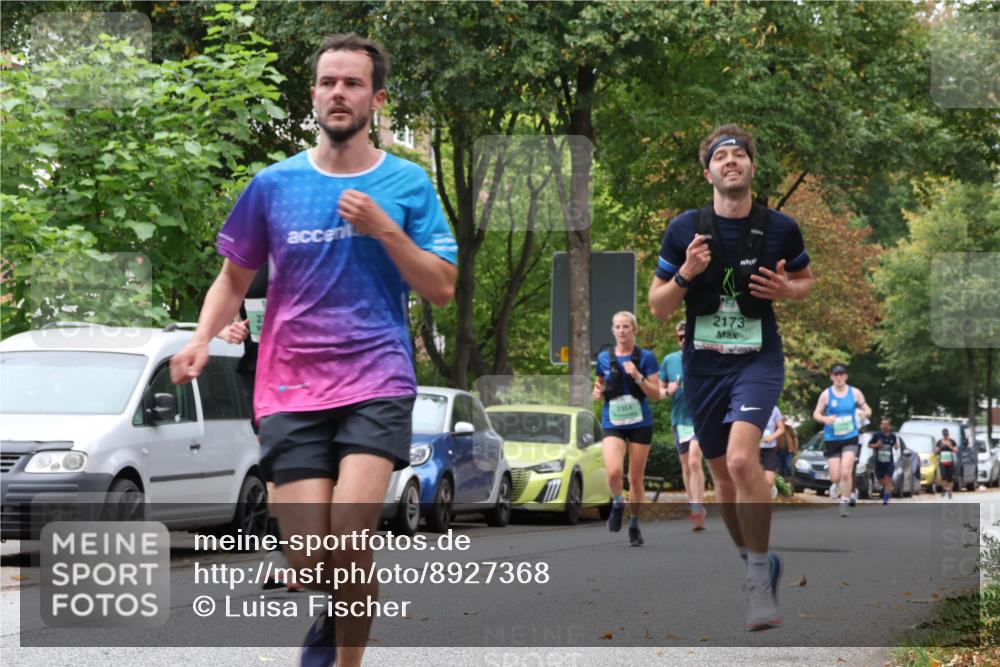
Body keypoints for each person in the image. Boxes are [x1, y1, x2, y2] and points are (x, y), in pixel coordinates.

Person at [171, 33, 457, 667]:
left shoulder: (407, 185)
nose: (338, 93)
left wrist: (386, 229)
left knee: (352, 538)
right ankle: (333, 612)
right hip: (288, 387)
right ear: (313, 95)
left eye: (353, 83)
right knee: (308, 557)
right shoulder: (274, 185)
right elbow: (233, 276)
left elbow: (440, 287)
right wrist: (198, 340)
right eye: (328, 82)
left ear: (376, 100)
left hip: (376, 377)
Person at [648, 124, 815, 631]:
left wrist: (786, 290)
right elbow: (658, 308)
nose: (731, 161)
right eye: (721, 156)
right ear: (709, 173)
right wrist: (685, 275)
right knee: (722, 477)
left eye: (740, 154)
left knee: (744, 461)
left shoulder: (781, 228)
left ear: (751, 168)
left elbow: (806, 281)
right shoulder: (684, 231)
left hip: (756, 360)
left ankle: (757, 580)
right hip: (703, 366)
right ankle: (756, 561)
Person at [593, 311, 661, 547]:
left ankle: (634, 523)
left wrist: (638, 376)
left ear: (634, 330)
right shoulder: (604, 357)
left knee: (635, 478)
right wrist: (597, 390)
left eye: (626, 327)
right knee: (613, 471)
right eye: (618, 327)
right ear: (613, 331)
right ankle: (617, 502)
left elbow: (657, 394)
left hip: (640, 423)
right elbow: (600, 381)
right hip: (613, 421)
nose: (622, 331)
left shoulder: (646, 357)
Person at [660, 321, 707, 531]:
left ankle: (697, 508)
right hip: (680, 420)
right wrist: (668, 390)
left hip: (701, 418)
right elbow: (659, 392)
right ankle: (694, 504)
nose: (684, 340)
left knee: (695, 462)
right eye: (680, 337)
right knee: (686, 465)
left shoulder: (706, 358)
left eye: (687, 336)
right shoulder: (669, 361)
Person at [812, 364, 871, 518]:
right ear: (831, 377)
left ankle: (844, 501)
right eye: (835, 375)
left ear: (845, 376)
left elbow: (868, 409)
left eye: (841, 374)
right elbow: (816, 414)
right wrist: (825, 419)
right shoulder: (826, 394)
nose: (838, 377)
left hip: (850, 436)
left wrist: (865, 414)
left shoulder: (855, 393)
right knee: (836, 476)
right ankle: (837, 485)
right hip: (832, 437)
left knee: (846, 472)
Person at [868, 417, 899, 505]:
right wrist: (877, 445)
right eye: (883, 424)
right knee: (882, 482)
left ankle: (886, 499)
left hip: (889, 462)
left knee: (888, 480)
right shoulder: (876, 435)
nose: (884, 426)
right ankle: (886, 488)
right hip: (879, 462)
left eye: (886, 424)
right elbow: (869, 445)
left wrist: (896, 446)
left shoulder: (893, 436)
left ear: (889, 426)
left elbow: (895, 444)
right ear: (880, 426)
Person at [759, 406, 785, 499]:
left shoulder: (774, 409)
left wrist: (771, 437)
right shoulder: (750, 404)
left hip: (769, 448)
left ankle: (772, 487)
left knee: (768, 481)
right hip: (753, 448)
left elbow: (781, 428)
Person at [936, 428, 959, 499]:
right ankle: (943, 490)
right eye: (944, 435)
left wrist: (950, 446)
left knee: (950, 478)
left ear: (948, 434)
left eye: (946, 434)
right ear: (942, 435)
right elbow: (936, 452)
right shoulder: (939, 442)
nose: (945, 436)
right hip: (942, 461)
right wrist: (939, 448)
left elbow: (956, 450)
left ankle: (950, 493)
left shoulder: (952, 441)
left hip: (950, 462)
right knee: (943, 476)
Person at [776, 415, 797, 481]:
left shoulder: (789, 428)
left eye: (783, 420)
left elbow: (795, 439)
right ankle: (783, 480)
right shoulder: (776, 429)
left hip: (789, 451)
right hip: (779, 451)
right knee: (781, 468)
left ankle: (790, 477)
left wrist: (795, 449)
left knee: (788, 465)